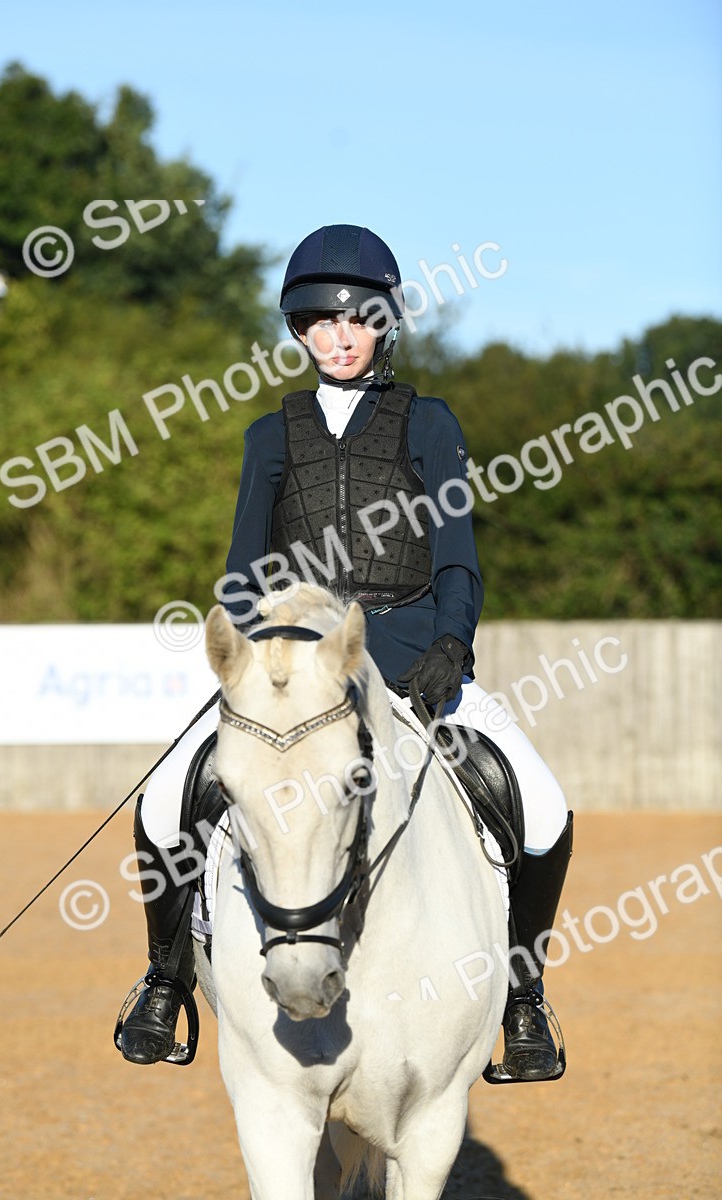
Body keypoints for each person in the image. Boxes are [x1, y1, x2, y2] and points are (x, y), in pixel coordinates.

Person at [116, 224, 573, 1082]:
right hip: (298, 669)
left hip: (412, 655)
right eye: (319, 324)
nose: (338, 338)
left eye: (356, 321)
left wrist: (450, 643)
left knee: (543, 809)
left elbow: (458, 559)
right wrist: (257, 658)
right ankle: (164, 978)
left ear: (384, 325)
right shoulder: (270, 436)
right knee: (161, 802)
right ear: (297, 331)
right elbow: (243, 571)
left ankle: (522, 999)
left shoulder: (430, 424)